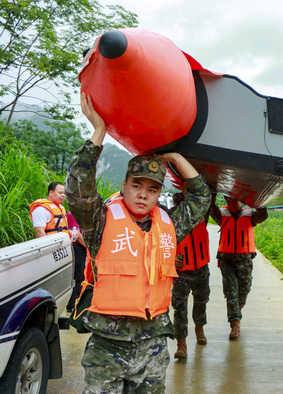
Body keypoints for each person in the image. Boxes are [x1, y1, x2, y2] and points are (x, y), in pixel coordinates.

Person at [66, 92, 210, 393]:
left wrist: (175, 157)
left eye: (152, 189)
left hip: (153, 344)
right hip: (108, 345)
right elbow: (79, 191)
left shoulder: (169, 223)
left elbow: (200, 198)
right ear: (124, 186)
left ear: (159, 195)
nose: (144, 194)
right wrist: (98, 133)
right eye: (137, 186)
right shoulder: (100, 221)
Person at [210, 195, 268, 339]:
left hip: (245, 259)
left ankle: (236, 312)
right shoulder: (222, 215)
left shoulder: (250, 216)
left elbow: (263, 215)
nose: (231, 204)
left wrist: (254, 198)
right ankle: (235, 325)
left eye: (234, 201)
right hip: (226, 260)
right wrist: (212, 192)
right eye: (228, 201)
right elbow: (210, 208)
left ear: (239, 201)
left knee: (244, 290)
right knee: (231, 292)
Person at [171, 192, 211, 358]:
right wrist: (171, 259)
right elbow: (162, 242)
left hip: (201, 268)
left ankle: (199, 328)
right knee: (179, 306)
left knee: (201, 301)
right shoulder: (170, 218)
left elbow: (209, 195)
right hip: (181, 271)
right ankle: (181, 344)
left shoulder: (202, 214)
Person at [66, 211, 87, 312]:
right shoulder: (74, 214)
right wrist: (88, 247)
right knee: (78, 275)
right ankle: (72, 303)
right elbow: (76, 234)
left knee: (79, 275)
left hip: (80, 246)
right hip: (77, 246)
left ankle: (74, 302)